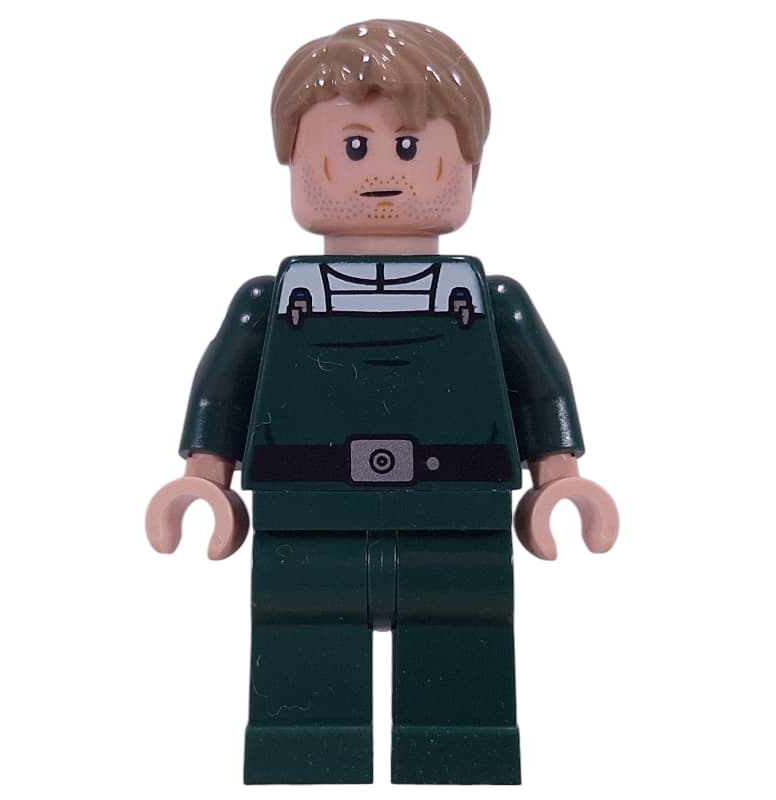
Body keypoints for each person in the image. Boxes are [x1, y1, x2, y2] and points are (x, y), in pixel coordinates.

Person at [146, 19, 619, 785]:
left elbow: (539, 391)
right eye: (354, 147)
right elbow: (224, 393)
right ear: (293, 162)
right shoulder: (273, 302)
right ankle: (305, 750)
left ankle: (458, 750)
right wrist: (205, 480)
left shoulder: (490, 302)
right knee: (300, 645)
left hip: (457, 510)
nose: (382, 173)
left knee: (464, 645)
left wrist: (559, 480)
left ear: (470, 166)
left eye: (408, 147)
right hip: (306, 511)